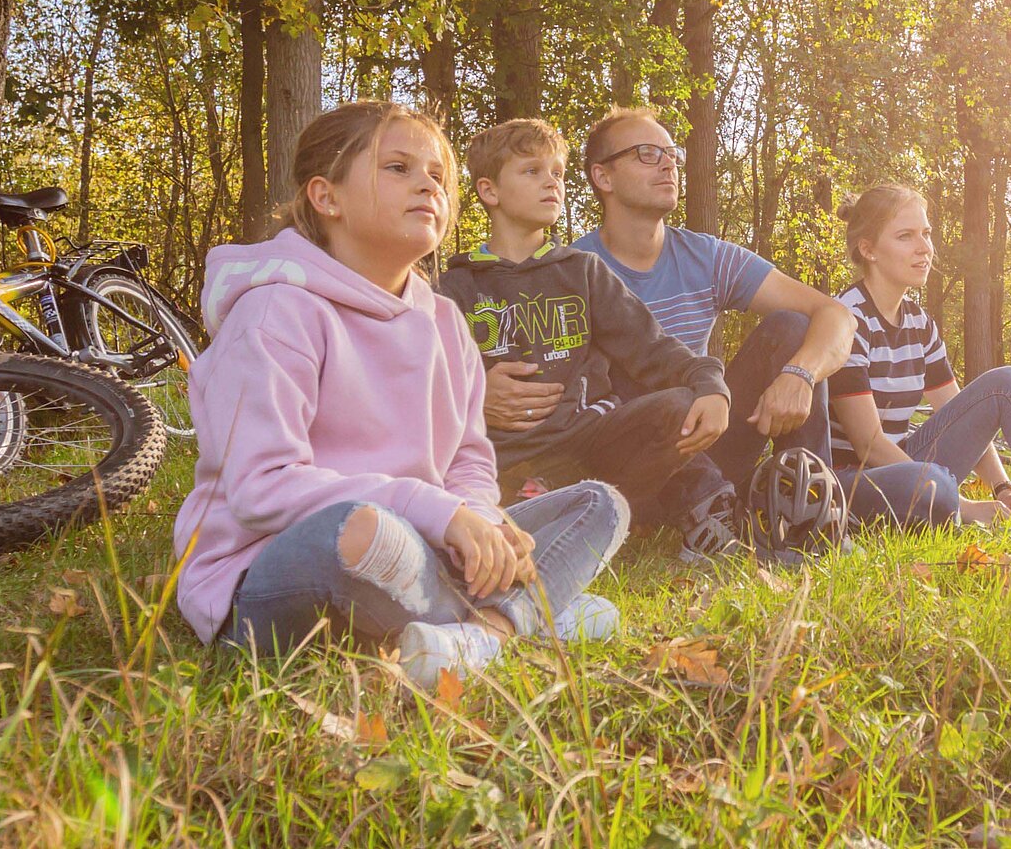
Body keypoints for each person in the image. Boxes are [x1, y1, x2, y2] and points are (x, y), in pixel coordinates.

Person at [174, 101, 630, 689]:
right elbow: (262, 489)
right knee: (357, 529)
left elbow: (467, 459)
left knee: (599, 505)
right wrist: (439, 513)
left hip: (424, 547)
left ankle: (481, 634)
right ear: (326, 196)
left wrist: (485, 523)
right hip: (277, 569)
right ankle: (530, 615)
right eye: (397, 167)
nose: (427, 184)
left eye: (438, 175)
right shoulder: (274, 313)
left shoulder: (443, 321)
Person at [482, 107, 860, 560]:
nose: (668, 164)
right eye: (646, 154)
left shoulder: (706, 256)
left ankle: (807, 518)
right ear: (603, 177)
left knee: (793, 329)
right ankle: (697, 512)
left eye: (672, 154)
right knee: (621, 362)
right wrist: (475, 390)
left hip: (708, 434)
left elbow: (836, 315)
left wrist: (800, 373)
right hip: (627, 461)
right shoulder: (568, 272)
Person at [437, 118, 734, 506]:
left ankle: (610, 506)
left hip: (587, 444)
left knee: (677, 407)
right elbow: (429, 385)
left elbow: (652, 347)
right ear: (489, 190)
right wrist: (473, 392)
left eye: (557, 173)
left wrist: (710, 383)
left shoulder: (583, 270)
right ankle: (535, 504)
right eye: (532, 171)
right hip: (500, 456)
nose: (552, 183)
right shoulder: (455, 288)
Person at [824, 184, 1011, 526]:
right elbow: (869, 446)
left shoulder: (920, 324)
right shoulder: (849, 319)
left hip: (908, 467)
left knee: (1003, 384)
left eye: (927, 234)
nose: (924, 249)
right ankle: (950, 505)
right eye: (905, 236)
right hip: (854, 483)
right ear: (868, 250)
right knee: (938, 487)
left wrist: (1002, 487)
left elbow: (962, 413)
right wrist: (963, 503)